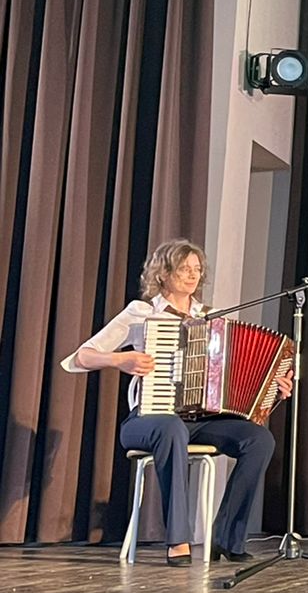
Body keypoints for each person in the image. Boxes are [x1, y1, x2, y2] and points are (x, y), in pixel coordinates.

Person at [59, 238, 293, 565]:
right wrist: (119, 360)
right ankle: (178, 539)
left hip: (201, 420)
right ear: (163, 274)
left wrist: (272, 388)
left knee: (259, 439)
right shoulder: (141, 313)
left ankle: (226, 537)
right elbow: (80, 357)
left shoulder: (212, 319)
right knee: (171, 427)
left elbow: (236, 374)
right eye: (184, 269)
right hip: (147, 420)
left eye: (197, 269)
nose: (193, 275)